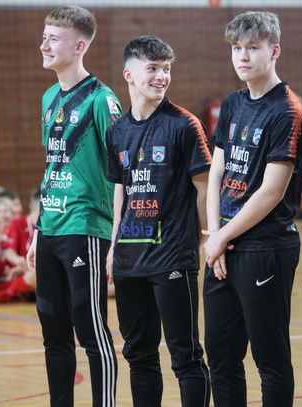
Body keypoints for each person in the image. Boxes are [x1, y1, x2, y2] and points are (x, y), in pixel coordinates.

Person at [202, 11, 302, 407]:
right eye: (236, 48)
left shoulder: (288, 110)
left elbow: (271, 192)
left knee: (270, 360)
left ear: (274, 50)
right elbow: (217, 172)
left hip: (265, 248)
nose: (242, 56)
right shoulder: (233, 103)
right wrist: (215, 234)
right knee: (220, 357)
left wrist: (221, 237)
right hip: (224, 246)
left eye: (252, 47)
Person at [105, 35, 211, 407]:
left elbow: (204, 188)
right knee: (139, 356)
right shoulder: (117, 131)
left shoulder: (184, 125)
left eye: (166, 69)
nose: (162, 76)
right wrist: (113, 248)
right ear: (129, 75)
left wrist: (200, 238)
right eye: (152, 68)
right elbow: (121, 194)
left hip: (172, 257)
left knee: (186, 356)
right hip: (129, 260)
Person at [26, 6, 121, 407]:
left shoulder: (102, 100)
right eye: (44, 36)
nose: (44, 45)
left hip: (85, 228)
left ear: (79, 46)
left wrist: (116, 237)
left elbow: (122, 173)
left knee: (92, 332)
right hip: (50, 228)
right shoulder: (49, 97)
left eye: (53, 38)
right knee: (53, 334)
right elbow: (53, 166)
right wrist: (37, 230)